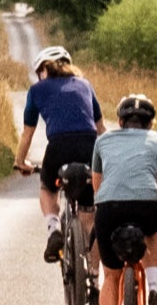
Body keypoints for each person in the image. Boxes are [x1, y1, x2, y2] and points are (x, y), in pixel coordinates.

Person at [90, 92, 157, 305]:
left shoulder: (102, 141)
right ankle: (152, 289)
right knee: (152, 232)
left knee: (111, 276)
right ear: (150, 124)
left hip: (109, 207)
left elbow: (98, 188)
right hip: (148, 205)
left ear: (120, 121)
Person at [15, 45, 104, 261]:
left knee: (47, 187)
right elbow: (101, 130)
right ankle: (93, 277)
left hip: (58, 147)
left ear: (44, 70)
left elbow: (28, 134)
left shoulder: (37, 91)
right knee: (89, 214)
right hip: (89, 146)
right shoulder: (85, 85)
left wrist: (20, 162)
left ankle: (53, 229)